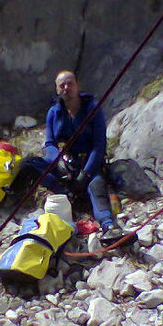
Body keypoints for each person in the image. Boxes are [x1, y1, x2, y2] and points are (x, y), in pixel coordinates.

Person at [21, 70, 126, 245]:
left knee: (95, 184)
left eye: (70, 83)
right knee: (29, 164)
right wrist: (59, 161)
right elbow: (50, 143)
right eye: (62, 85)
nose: (66, 88)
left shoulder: (92, 109)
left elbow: (99, 145)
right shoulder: (54, 113)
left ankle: (109, 225)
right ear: (56, 90)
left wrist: (85, 173)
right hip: (65, 163)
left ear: (77, 86)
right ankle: (65, 192)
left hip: (88, 162)